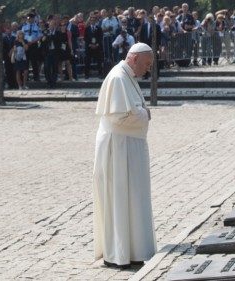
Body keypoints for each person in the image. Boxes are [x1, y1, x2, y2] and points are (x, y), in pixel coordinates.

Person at [93, 42, 156, 269]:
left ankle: (133, 248)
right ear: (134, 59)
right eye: (147, 64)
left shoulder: (127, 75)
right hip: (118, 149)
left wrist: (141, 112)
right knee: (119, 199)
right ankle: (118, 252)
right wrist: (144, 113)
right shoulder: (119, 78)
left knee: (132, 199)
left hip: (127, 146)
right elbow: (120, 117)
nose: (148, 69)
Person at [21, 13, 41, 81]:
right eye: (29, 18)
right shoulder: (24, 27)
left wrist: (32, 42)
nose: (30, 19)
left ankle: (36, 77)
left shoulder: (37, 27)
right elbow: (21, 36)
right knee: (26, 61)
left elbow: (39, 36)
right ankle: (26, 78)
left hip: (33, 45)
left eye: (32, 18)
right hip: (26, 45)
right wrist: (25, 43)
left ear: (34, 19)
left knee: (34, 62)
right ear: (27, 19)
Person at [84, 14, 103, 79]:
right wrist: (90, 44)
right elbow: (85, 38)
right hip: (89, 47)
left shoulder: (99, 28)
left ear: (95, 21)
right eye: (91, 20)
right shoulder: (87, 29)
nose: (92, 21)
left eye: (94, 20)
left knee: (99, 61)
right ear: (90, 21)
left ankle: (100, 74)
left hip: (97, 47)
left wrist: (97, 44)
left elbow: (100, 37)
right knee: (87, 61)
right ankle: (86, 74)